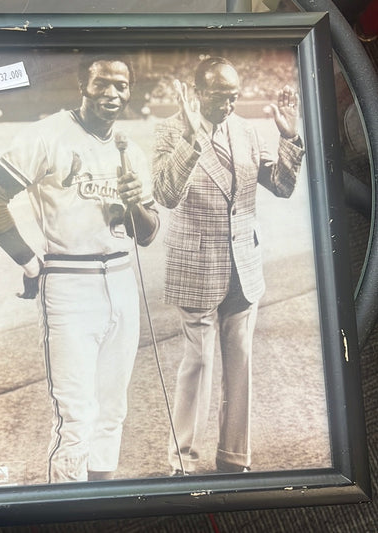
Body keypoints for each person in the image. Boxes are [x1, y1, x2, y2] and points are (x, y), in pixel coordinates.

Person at [0, 53, 159, 483]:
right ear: (82, 87)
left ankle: (101, 503)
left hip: (122, 279)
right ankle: (69, 507)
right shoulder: (48, 135)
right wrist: (28, 260)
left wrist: (133, 203)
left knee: (113, 411)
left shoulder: (131, 151)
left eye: (121, 86)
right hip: (71, 285)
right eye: (102, 84)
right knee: (76, 420)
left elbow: (147, 233)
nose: (112, 93)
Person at [152, 56, 304, 475]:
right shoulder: (169, 130)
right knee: (198, 364)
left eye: (234, 96)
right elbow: (165, 193)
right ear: (198, 92)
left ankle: (234, 457)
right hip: (197, 266)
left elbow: (282, 187)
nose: (229, 104)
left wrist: (290, 138)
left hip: (244, 265)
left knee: (240, 363)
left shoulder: (246, 130)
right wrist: (192, 135)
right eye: (221, 96)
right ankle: (182, 461)